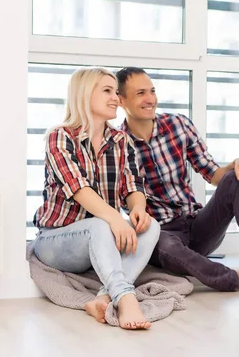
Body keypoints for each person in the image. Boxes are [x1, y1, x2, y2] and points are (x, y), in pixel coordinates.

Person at [116, 67, 239, 303]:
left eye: (152, 91)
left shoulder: (178, 125)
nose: (150, 99)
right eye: (140, 93)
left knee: (237, 180)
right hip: (161, 236)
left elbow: (213, 173)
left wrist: (237, 164)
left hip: (198, 225)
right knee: (162, 243)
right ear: (120, 100)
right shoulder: (115, 145)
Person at [32, 67, 160, 330]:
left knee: (152, 225)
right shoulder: (60, 137)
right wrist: (116, 219)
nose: (115, 97)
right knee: (100, 223)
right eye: (107, 91)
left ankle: (104, 295)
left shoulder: (121, 140)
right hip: (57, 239)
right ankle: (125, 297)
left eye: (115, 92)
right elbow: (79, 190)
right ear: (84, 94)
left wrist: (137, 209)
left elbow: (134, 185)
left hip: (102, 237)